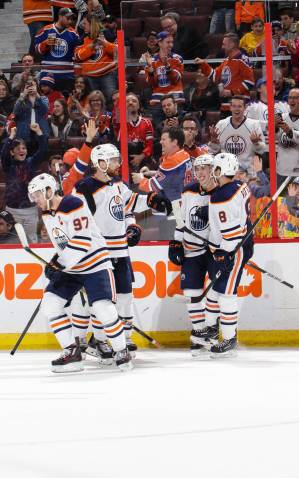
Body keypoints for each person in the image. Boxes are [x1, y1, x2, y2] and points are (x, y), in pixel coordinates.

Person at [71, 144, 171, 358]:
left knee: (125, 297)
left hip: (120, 252)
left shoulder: (117, 183)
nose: (119, 163)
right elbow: (77, 221)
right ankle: (99, 341)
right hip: (100, 255)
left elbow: (130, 202)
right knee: (102, 301)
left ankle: (124, 338)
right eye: (114, 160)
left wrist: (152, 200)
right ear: (101, 163)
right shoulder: (84, 188)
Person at [27, 173, 133, 372]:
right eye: (33, 197)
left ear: (50, 191)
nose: (36, 201)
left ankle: (122, 351)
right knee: (50, 304)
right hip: (73, 268)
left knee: (102, 308)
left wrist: (60, 264)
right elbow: (63, 244)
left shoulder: (72, 204)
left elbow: (82, 241)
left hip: (96, 263)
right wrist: (55, 261)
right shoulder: (47, 214)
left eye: (38, 195)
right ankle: (72, 352)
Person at [204, 152, 254, 356]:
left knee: (226, 294)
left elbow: (230, 234)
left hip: (233, 249)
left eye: (215, 169)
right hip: (239, 244)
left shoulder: (221, 197)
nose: (212, 173)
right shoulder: (241, 185)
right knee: (215, 290)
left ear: (221, 170)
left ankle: (230, 339)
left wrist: (225, 254)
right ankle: (214, 329)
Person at [168, 154, 218, 357]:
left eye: (204, 168)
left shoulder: (222, 192)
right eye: (197, 169)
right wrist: (176, 241)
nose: (200, 173)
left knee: (217, 295)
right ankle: (199, 333)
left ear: (214, 170)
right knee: (192, 293)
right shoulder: (188, 191)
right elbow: (181, 221)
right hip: (193, 249)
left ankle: (213, 333)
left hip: (215, 251)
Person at [1, 124, 48, 243]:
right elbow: (4, 155)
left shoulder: (31, 162)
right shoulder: (8, 165)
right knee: (12, 242)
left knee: (31, 241)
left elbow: (43, 150)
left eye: (24, 148)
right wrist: (10, 137)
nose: (21, 150)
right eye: (18, 148)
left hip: (30, 210)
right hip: (12, 211)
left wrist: (39, 132)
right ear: (12, 152)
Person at [132, 126, 192, 205]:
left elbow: (152, 187)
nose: (160, 142)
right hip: (186, 199)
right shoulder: (184, 154)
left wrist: (140, 179)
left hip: (176, 205)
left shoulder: (172, 161)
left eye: (164, 139)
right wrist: (151, 173)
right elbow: (171, 175)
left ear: (174, 142)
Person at [209, 95, 265, 173]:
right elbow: (212, 151)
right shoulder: (221, 124)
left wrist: (256, 143)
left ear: (245, 108)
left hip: (248, 171)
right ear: (230, 108)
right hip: (226, 171)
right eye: (234, 106)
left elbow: (262, 150)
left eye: (239, 106)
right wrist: (214, 141)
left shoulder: (254, 125)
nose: (236, 109)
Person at [74, 13, 118, 105]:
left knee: (111, 100)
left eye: (85, 24)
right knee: (93, 103)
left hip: (107, 75)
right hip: (90, 77)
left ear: (92, 24)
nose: (83, 26)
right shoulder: (83, 38)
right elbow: (77, 57)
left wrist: (105, 43)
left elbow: (117, 52)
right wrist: (91, 47)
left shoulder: (107, 34)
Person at [34, 7, 80, 93]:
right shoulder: (45, 30)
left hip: (67, 76)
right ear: (60, 16)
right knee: (48, 103)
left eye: (71, 19)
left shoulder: (74, 33)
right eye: (67, 18)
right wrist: (46, 43)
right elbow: (36, 51)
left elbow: (77, 54)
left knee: (66, 102)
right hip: (48, 75)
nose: (70, 21)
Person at [196, 33, 255, 99]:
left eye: (224, 44)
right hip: (226, 101)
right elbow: (215, 76)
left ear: (232, 45)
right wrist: (203, 64)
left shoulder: (243, 60)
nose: (222, 47)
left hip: (240, 102)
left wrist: (232, 92)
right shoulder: (226, 61)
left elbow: (250, 82)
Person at [144, 31, 185, 109]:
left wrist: (167, 66)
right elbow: (152, 83)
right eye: (168, 42)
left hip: (176, 98)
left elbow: (176, 79)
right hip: (158, 100)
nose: (171, 45)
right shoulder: (151, 61)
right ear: (160, 43)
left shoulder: (177, 58)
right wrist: (151, 70)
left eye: (172, 42)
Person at [114, 93, 154, 173]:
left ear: (138, 106)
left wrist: (140, 157)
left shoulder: (147, 123)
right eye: (127, 101)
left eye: (134, 101)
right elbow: (116, 111)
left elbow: (149, 145)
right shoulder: (119, 121)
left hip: (142, 159)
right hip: (123, 160)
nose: (131, 103)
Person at [246, 77, 290, 145]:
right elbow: (247, 125)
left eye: (272, 84)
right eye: (266, 84)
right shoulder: (251, 106)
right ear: (259, 89)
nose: (271, 86)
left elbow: (293, 123)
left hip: (284, 147)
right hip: (261, 148)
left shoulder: (285, 105)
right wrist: (268, 124)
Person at [13, 78, 50, 145]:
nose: (31, 87)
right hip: (24, 132)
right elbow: (15, 112)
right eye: (28, 85)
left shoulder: (43, 98)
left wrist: (38, 96)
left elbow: (45, 111)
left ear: (37, 87)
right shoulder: (21, 99)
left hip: (40, 129)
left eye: (33, 85)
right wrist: (23, 96)